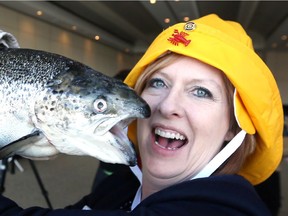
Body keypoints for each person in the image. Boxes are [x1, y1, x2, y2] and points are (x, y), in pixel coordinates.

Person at [0, 14, 283, 215]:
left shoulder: (219, 209)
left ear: (233, 127)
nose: (167, 105)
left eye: (201, 92)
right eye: (158, 83)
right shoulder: (121, 186)